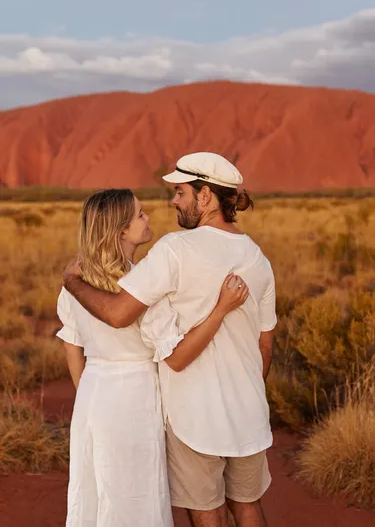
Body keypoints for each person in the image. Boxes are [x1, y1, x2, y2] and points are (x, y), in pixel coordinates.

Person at [64, 152, 277, 527]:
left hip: (191, 416)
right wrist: (243, 393)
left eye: (179, 192)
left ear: (206, 195)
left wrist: (73, 281)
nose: (172, 201)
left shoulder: (175, 250)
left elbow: (117, 314)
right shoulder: (259, 259)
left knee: (202, 511)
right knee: (247, 506)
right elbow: (265, 343)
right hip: (247, 414)